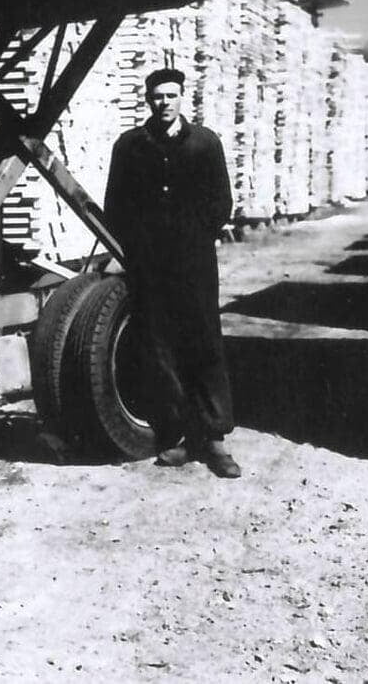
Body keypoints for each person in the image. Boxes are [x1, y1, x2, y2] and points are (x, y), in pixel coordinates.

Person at [103, 66, 240, 478]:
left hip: (194, 262)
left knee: (203, 341)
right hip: (150, 265)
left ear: (183, 98)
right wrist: (139, 246)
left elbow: (221, 202)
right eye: (157, 97)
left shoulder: (204, 144)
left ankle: (213, 439)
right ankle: (179, 437)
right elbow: (116, 205)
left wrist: (195, 237)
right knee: (161, 348)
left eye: (171, 96)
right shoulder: (130, 147)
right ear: (147, 100)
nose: (164, 103)